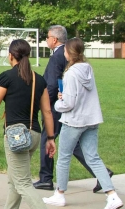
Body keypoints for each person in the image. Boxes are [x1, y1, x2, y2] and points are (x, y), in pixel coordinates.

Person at [42, 38, 123, 209]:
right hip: (91, 119)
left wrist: (57, 104)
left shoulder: (71, 73)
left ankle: (60, 193)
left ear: (69, 53)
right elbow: (79, 94)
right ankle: (112, 195)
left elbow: (69, 103)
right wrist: (66, 97)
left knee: (63, 157)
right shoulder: (88, 69)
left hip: (74, 120)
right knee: (93, 157)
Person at [0, 39, 56, 209]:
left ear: (11, 55)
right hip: (34, 134)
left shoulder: (7, 77)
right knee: (15, 180)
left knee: (23, 183)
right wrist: (50, 138)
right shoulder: (39, 80)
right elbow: (47, 112)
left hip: (16, 137)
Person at [35, 25, 108, 192]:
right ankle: (103, 174)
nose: (46, 40)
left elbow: (52, 84)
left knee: (49, 139)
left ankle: (46, 178)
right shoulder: (79, 62)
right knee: (75, 144)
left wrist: (47, 104)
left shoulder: (58, 56)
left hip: (60, 107)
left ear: (54, 39)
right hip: (79, 110)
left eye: (47, 37)